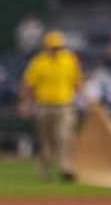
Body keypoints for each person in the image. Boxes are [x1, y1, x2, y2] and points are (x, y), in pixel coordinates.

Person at [20, 29, 84, 181]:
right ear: (46, 47)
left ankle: (66, 169)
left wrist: (86, 99)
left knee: (65, 137)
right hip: (44, 106)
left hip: (65, 106)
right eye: (53, 47)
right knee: (46, 140)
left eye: (58, 47)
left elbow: (78, 81)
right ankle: (44, 170)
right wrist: (26, 104)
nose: (56, 50)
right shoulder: (38, 62)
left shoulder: (69, 60)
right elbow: (29, 85)